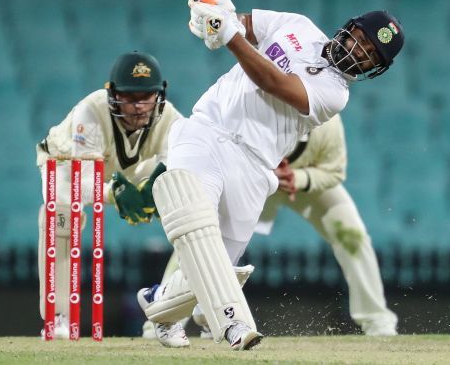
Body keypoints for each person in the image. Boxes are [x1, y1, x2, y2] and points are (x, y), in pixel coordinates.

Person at [135, 0, 404, 351]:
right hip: (208, 131)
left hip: (255, 166)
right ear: (349, 28)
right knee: (197, 223)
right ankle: (233, 322)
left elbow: (275, 83)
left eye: (371, 55)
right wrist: (216, 15)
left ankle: (161, 304)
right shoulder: (299, 25)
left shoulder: (335, 94)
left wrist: (227, 34)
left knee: (218, 260)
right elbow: (245, 24)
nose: (360, 52)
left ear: (374, 69)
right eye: (362, 41)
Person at [142, 115, 398, 340]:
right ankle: (164, 320)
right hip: (249, 179)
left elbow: (334, 171)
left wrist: (297, 178)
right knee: (199, 231)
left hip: (300, 181)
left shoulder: (326, 121)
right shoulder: (255, 109)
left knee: (352, 236)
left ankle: (377, 320)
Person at [35, 51, 184, 342]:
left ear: (159, 94)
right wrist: (117, 195)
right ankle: (58, 316)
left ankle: (166, 316)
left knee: (187, 209)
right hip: (65, 165)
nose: (139, 107)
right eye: (130, 97)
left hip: (127, 168)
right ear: (113, 94)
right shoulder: (89, 112)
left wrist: (152, 195)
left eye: (146, 97)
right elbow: (85, 183)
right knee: (62, 212)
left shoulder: (170, 118)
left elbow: (180, 168)